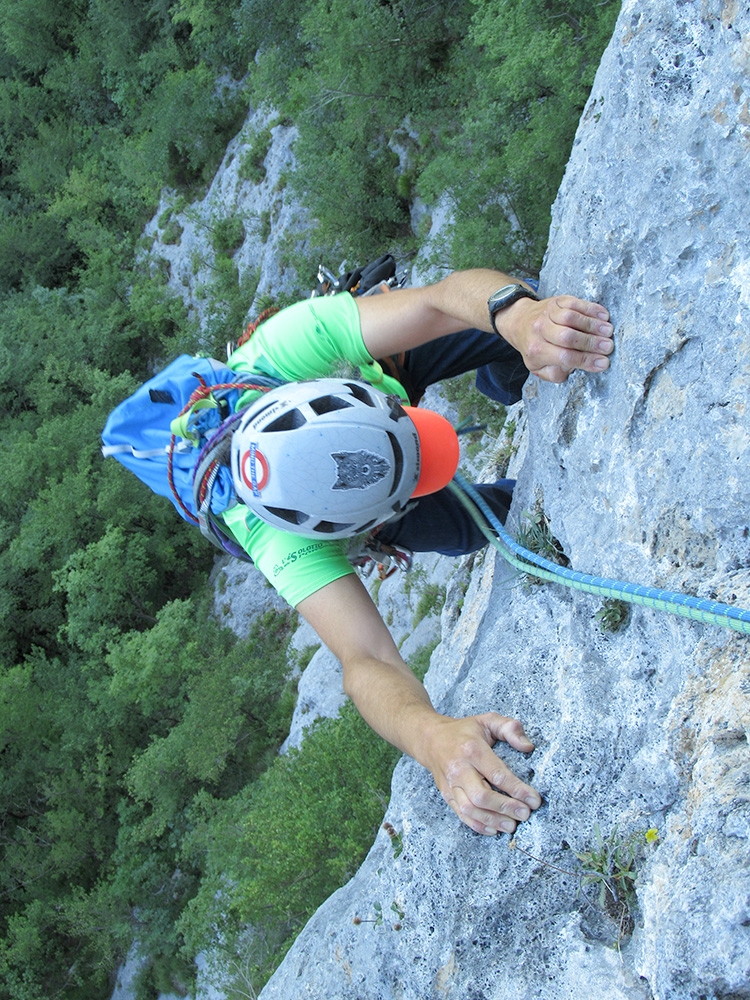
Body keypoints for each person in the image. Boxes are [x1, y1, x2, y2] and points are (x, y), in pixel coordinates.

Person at [221, 268, 614, 837]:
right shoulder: (289, 543)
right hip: (361, 494)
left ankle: (506, 380)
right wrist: (432, 739)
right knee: (491, 526)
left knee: (521, 299)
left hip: (363, 381)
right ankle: (497, 506)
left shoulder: (293, 347)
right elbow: (366, 661)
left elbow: (441, 300)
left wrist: (521, 317)